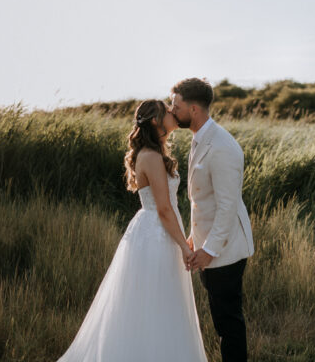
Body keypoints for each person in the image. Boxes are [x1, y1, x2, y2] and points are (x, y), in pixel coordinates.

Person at [56, 99, 207, 362]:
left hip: (160, 231)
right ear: (155, 121)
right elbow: (164, 209)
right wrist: (184, 246)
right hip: (156, 235)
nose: (173, 114)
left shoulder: (154, 153)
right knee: (154, 303)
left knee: (162, 302)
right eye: (167, 112)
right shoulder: (150, 156)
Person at [170, 77, 255, 362]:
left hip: (225, 250)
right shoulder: (199, 139)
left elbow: (227, 207)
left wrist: (208, 251)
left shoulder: (222, 146)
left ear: (193, 109)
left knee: (229, 324)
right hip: (208, 245)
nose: (172, 110)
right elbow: (203, 201)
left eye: (176, 105)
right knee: (221, 320)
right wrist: (195, 239)